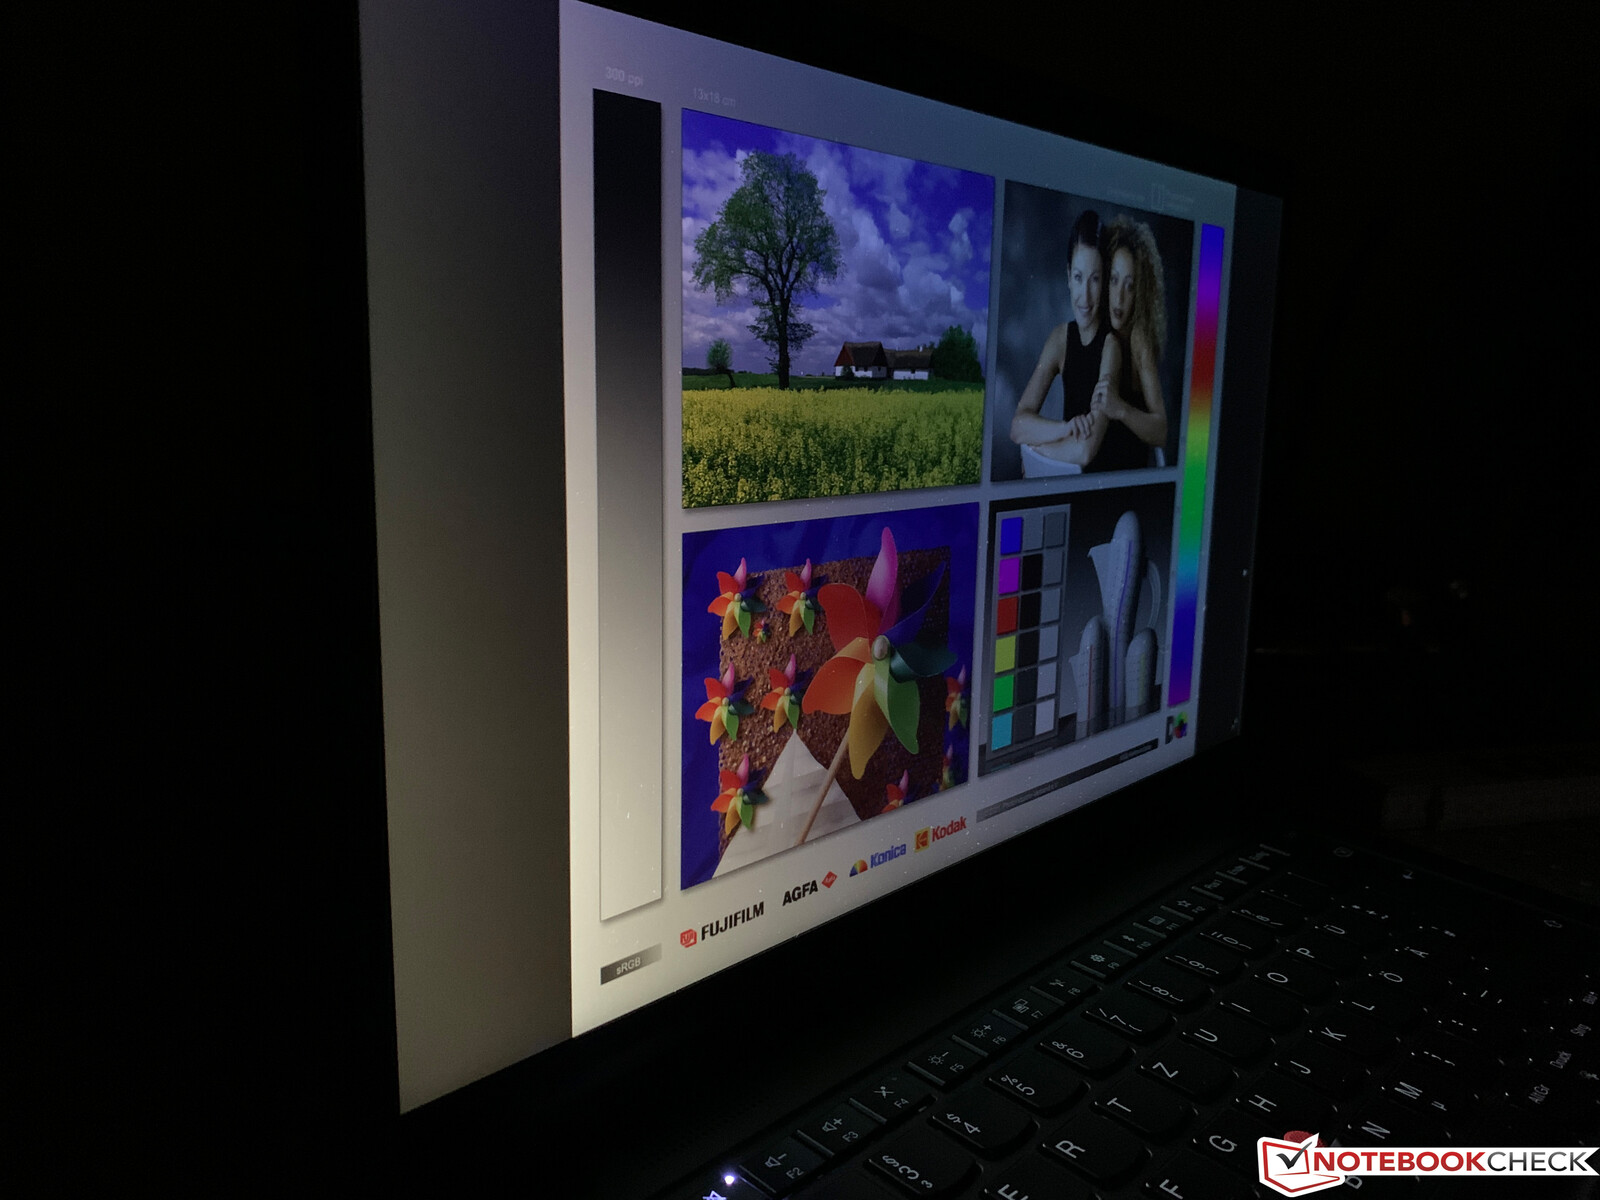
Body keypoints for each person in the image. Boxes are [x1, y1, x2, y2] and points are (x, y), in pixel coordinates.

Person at [1009, 210, 1110, 474]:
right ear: (1068, 277)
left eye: (1095, 279)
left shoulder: (1113, 345)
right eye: (1078, 277)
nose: (1085, 296)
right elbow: (1018, 427)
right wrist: (1064, 429)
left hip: (1107, 484)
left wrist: (1035, 449)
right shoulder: (1060, 338)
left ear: (1105, 282)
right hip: (1069, 478)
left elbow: (1084, 451)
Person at [1089, 216, 1168, 470]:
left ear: (1140, 293)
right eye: (1114, 280)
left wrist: (1120, 409)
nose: (1119, 297)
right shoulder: (1096, 327)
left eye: (1130, 286)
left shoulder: (1139, 339)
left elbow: (1161, 431)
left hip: (1128, 473)